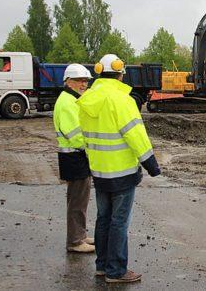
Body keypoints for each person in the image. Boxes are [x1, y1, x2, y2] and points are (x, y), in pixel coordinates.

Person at [77, 54, 160, 283]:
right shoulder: (121, 100)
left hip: (100, 171)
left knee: (103, 218)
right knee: (119, 222)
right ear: (120, 73)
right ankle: (116, 271)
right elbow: (135, 134)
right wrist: (151, 164)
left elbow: (84, 136)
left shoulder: (87, 99)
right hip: (122, 171)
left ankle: (102, 266)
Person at [53, 63, 95, 253]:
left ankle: (80, 234)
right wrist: (94, 145)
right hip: (74, 156)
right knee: (77, 200)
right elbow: (76, 136)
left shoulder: (71, 100)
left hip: (76, 156)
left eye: (85, 81)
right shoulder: (67, 102)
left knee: (80, 198)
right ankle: (75, 241)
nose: (83, 84)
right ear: (68, 82)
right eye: (79, 80)